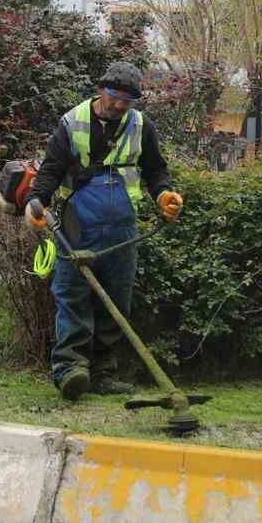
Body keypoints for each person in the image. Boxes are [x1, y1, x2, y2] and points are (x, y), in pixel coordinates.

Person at [24, 62, 184, 401]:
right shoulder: (72, 122)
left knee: (116, 299)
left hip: (122, 228)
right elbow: (50, 170)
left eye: (128, 100)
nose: (120, 105)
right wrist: (36, 201)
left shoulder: (141, 126)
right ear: (101, 90)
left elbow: (155, 170)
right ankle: (71, 369)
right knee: (72, 296)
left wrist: (164, 195)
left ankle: (103, 373)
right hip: (76, 225)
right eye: (114, 96)